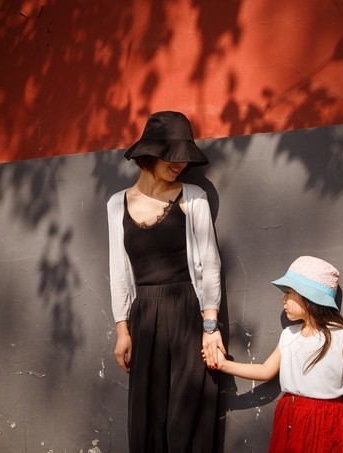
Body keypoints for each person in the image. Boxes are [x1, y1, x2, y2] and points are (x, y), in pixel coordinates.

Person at [107, 110, 225, 453]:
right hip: (144, 317)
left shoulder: (193, 197)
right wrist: (122, 329)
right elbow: (119, 269)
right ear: (149, 154)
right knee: (148, 414)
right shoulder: (116, 204)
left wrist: (210, 325)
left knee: (187, 414)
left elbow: (211, 264)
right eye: (171, 156)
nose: (180, 164)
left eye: (183, 157)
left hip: (188, 311)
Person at [204, 256, 343, 453]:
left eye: (289, 292)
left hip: (328, 421)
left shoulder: (342, 338)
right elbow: (266, 370)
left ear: (310, 297)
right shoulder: (289, 335)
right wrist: (223, 364)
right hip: (290, 419)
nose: (283, 299)